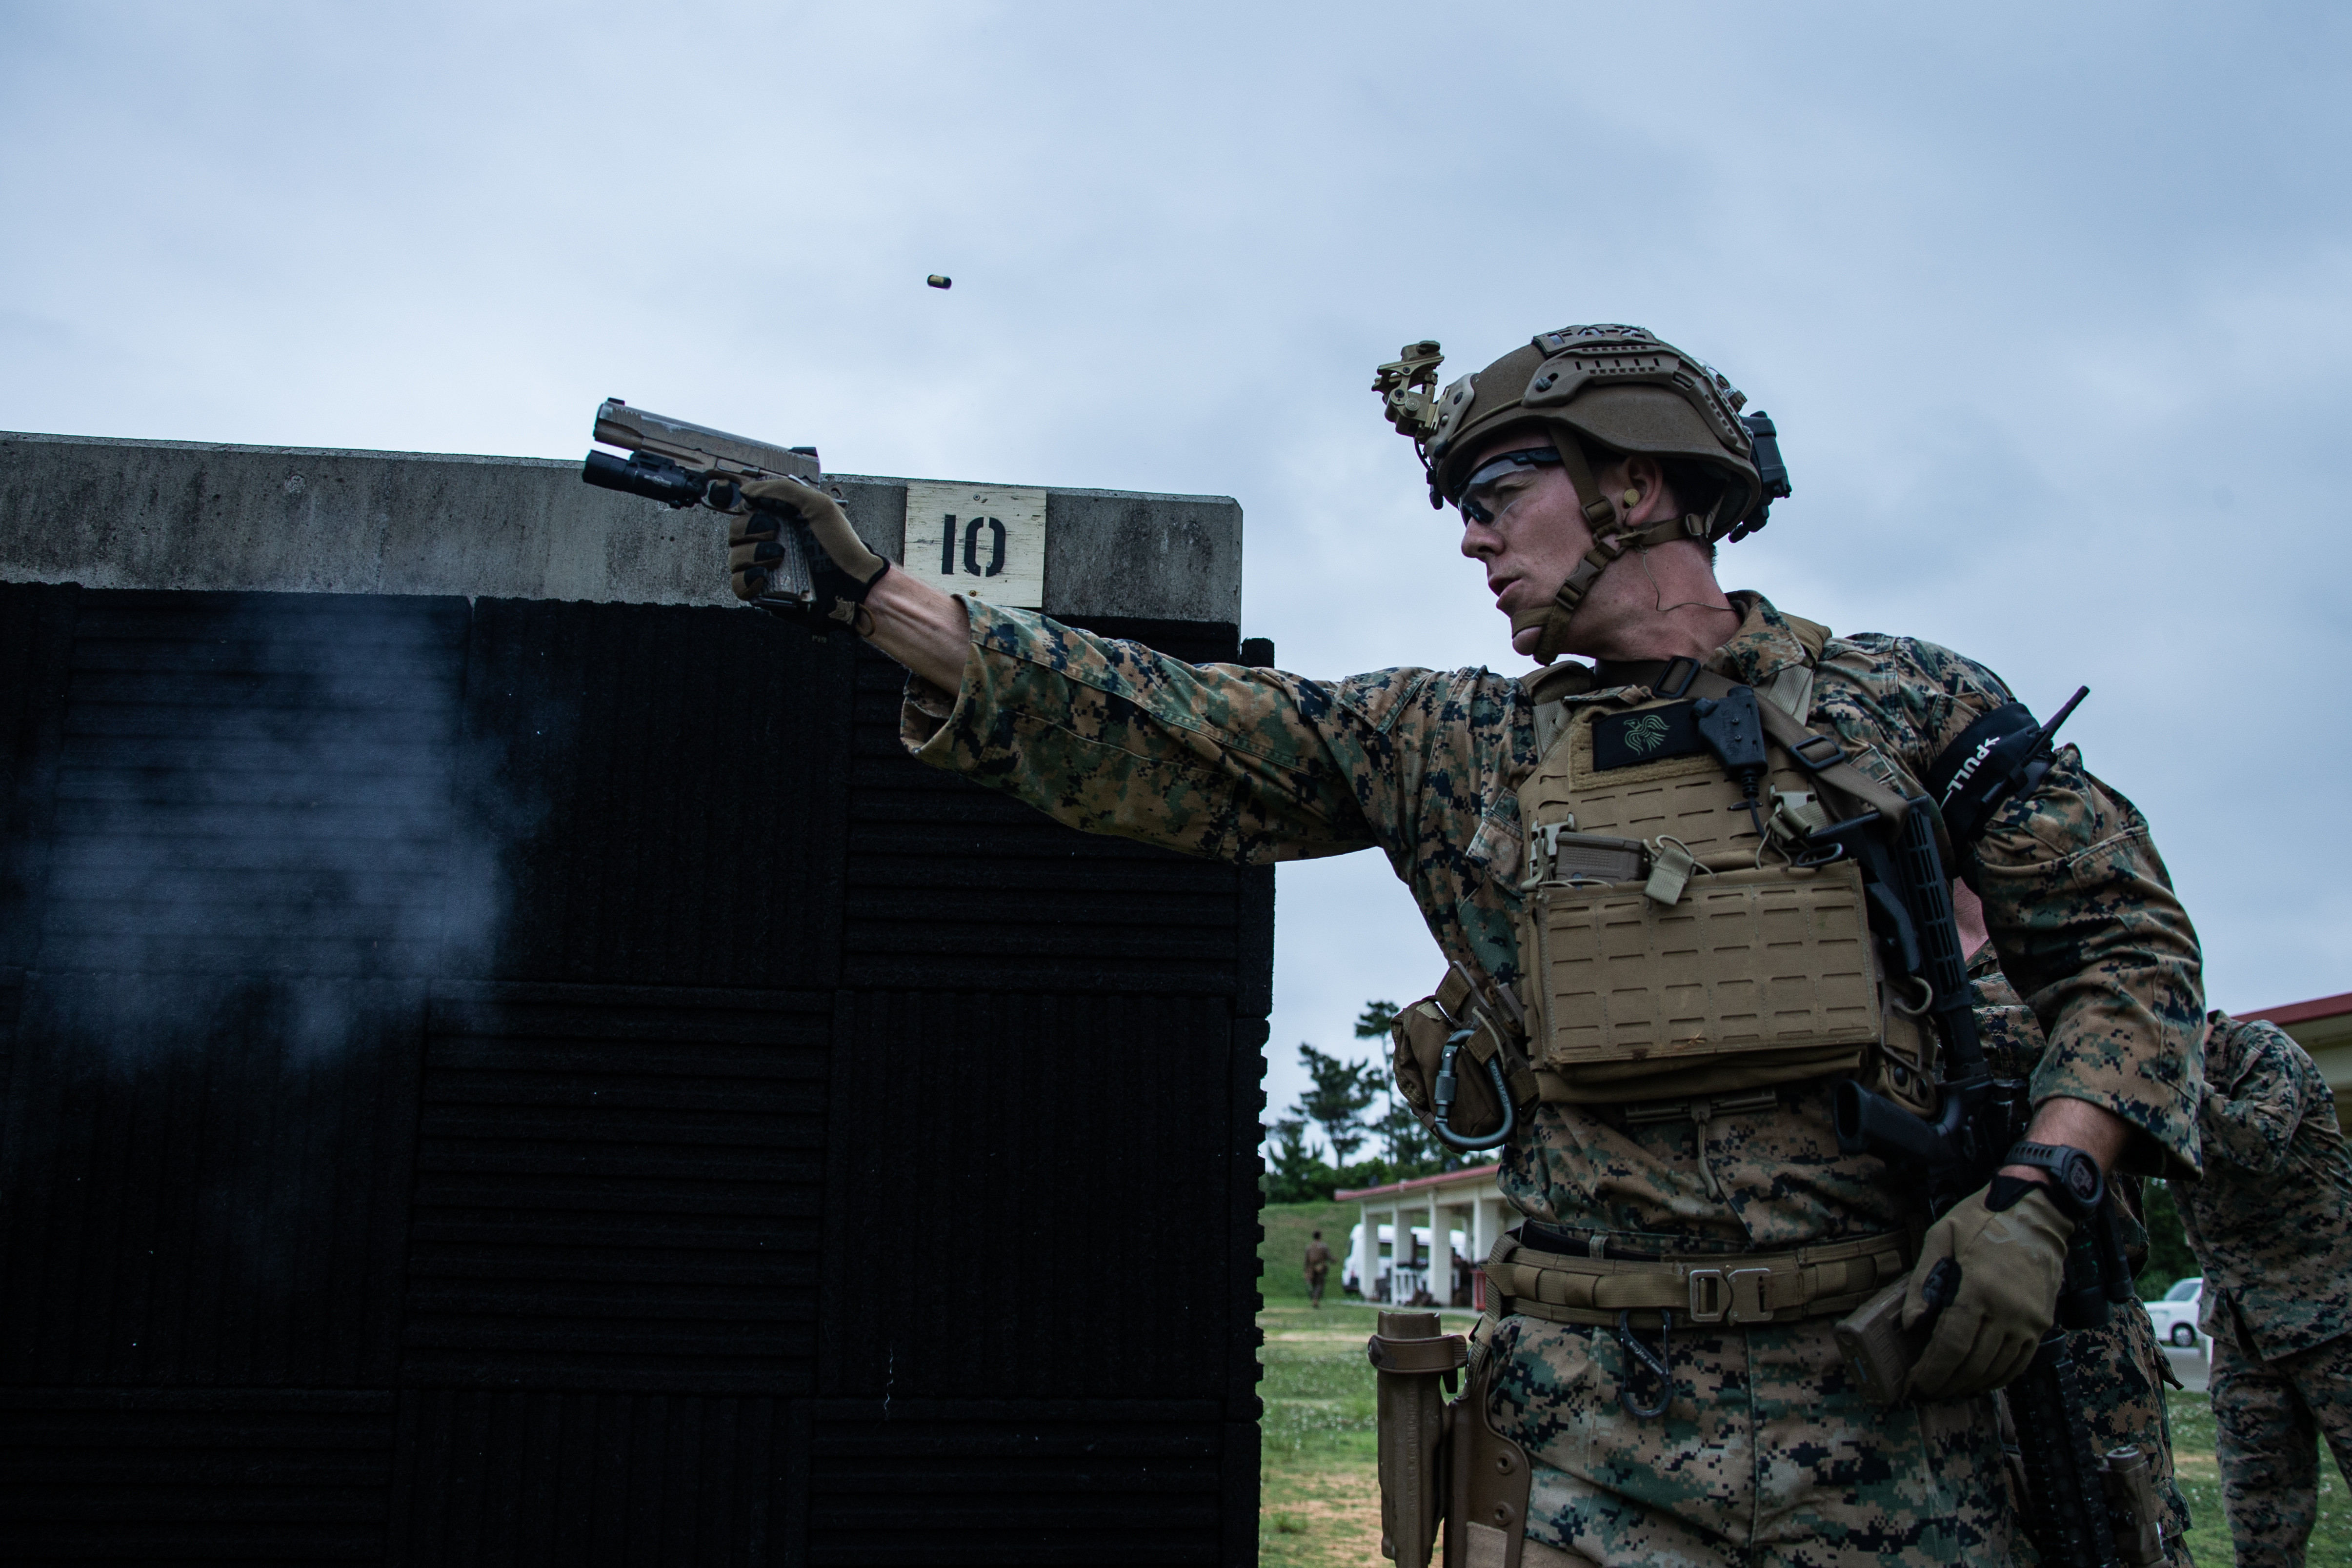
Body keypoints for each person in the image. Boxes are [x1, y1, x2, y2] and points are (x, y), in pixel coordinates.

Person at [732, 323, 2205, 1566]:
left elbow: (2124, 949)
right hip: (1598, 1452)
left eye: (1500, 491)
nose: (1470, 535)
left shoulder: (1905, 708)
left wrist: (2045, 1189)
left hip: (1902, 1428)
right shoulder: (1456, 745)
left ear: (1634, 486)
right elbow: (1172, 726)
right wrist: (872, 600)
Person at [1965, 925, 2193, 1562]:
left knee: (2118, 1535)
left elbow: (2148, 1045)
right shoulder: (1882, 962)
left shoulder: (2073, 954)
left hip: (2083, 1327)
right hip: (1953, 1322)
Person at [2175, 1011, 2352, 1568]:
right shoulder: (2153, 1090)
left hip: (2334, 1315)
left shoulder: (2257, 1050)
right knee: (2260, 1527)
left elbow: (2257, 1141)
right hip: (2243, 1332)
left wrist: (2169, 1077)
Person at [1305, 1229, 1333, 1308]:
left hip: (1311, 1268)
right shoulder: (1324, 1246)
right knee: (1320, 1284)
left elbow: (1306, 1260)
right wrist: (1334, 1260)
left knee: (1313, 1283)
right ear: (1320, 1237)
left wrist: (1306, 1271)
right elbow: (1329, 1257)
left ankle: (1313, 1296)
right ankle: (1316, 1299)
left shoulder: (1309, 1247)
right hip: (1321, 1267)